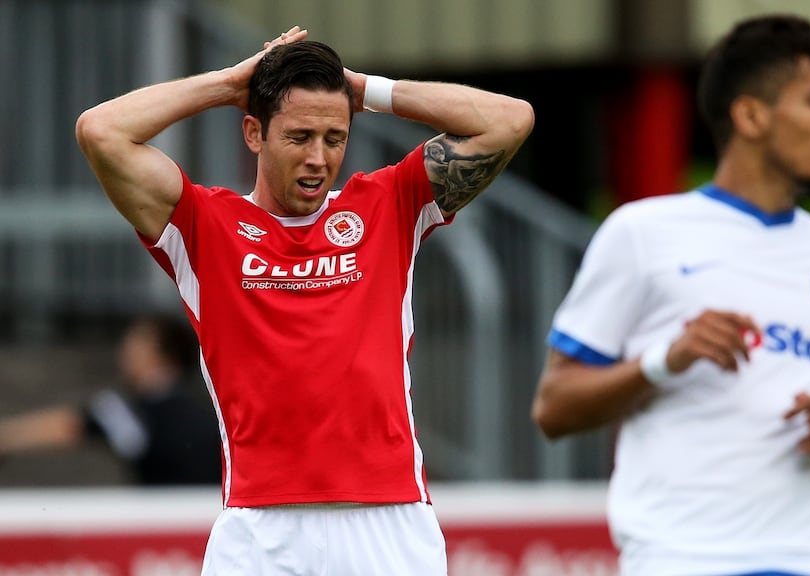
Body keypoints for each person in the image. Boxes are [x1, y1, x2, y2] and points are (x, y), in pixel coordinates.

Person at [75, 25, 533, 575]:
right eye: (299, 137)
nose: (319, 157)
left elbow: (510, 121)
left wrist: (364, 90)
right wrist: (227, 83)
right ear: (254, 133)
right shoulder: (204, 223)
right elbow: (101, 131)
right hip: (260, 529)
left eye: (334, 138)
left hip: (389, 523)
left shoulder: (388, 203)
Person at [531, 14, 810, 576]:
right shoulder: (641, 233)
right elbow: (553, 409)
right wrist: (663, 361)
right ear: (751, 115)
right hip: (680, 560)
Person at [0, 312, 221, 486]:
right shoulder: (213, 408)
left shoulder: (129, 410)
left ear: (158, 352)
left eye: (133, 345)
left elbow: (68, 426)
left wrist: (7, 437)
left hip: (163, 527)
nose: (123, 354)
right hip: (208, 522)